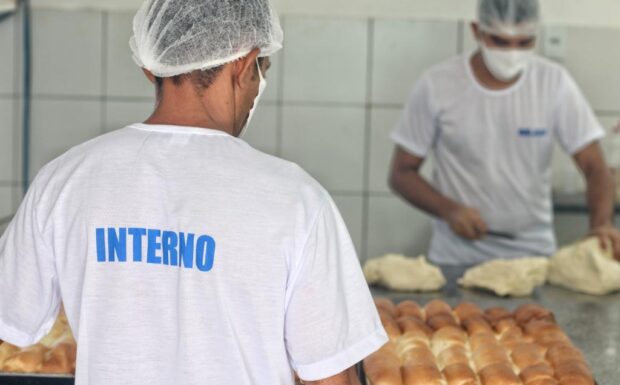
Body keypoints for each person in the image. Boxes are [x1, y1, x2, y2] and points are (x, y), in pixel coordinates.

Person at [0, 0, 387, 384]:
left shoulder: (66, 181)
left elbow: (12, 320)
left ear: (152, 66)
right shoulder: (298, 200)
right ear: (243, 64)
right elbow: (330, 379)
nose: (256, 90)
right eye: (261, 71)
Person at [389, 0, 620, 265]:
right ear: (477, 31)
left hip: (533, 257)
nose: (512, 52)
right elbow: (401, 173)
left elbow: (595, 167)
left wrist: (602, 224)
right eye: (500, 41)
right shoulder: (437, 85)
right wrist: (448, 210)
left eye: (524, 43)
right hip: (457, 258)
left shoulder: (553, 83)